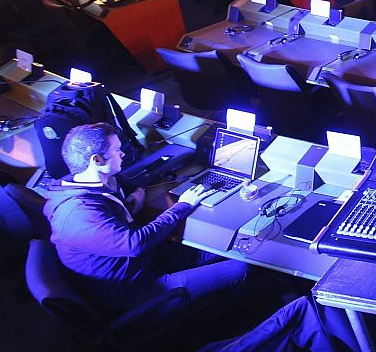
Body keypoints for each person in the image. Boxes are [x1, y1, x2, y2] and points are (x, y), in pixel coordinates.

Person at [42, 122, 249, 315]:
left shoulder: (92, 185)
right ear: (97, 160)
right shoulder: (79, 213)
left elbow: (109, 225)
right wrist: (183, 205)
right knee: (239, 268)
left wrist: (131, 203)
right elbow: (134, 244)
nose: (122, 153)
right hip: (135, 290)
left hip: (144, 263)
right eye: (116, 150)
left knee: (221, 248)